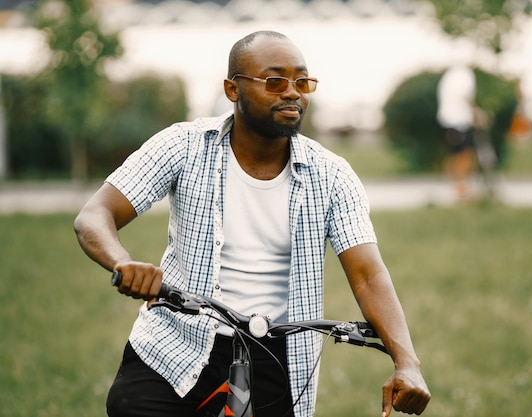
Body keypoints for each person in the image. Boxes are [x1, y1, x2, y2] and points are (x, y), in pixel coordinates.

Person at [74, 30, 430, 417]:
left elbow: (368, 275)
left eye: (302, 81)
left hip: (277, 357)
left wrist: (407, 362)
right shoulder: (184, 146)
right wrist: (122, 262)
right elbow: (95, 215)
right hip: (175, 343)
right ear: (233, 89)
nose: (292, 92)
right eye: (274, 81)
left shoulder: (331, 176)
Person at [436, 64, 480, 199]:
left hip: (448, 120)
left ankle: (457, 185)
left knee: (457, 154)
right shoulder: (464, 75)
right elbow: (465, 95)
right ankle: (460, 186)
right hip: (459, 121)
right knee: (464, 155)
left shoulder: (449, 75)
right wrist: (476, 113)